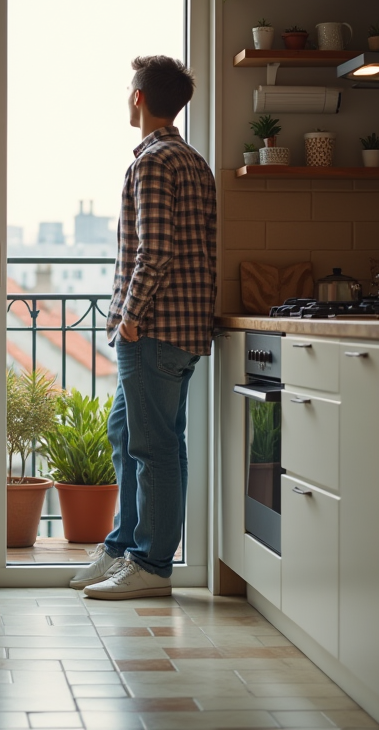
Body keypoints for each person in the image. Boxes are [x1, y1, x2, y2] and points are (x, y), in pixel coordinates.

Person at [70, 55, 217, 600]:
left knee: (152, 447)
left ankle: (151, 566)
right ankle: (122, 549)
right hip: (179, 328)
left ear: (138, 97)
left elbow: (154, 252)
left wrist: (130, 316)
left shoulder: (152, 162)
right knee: (133, 436)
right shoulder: (193, 161)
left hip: (151, 328)